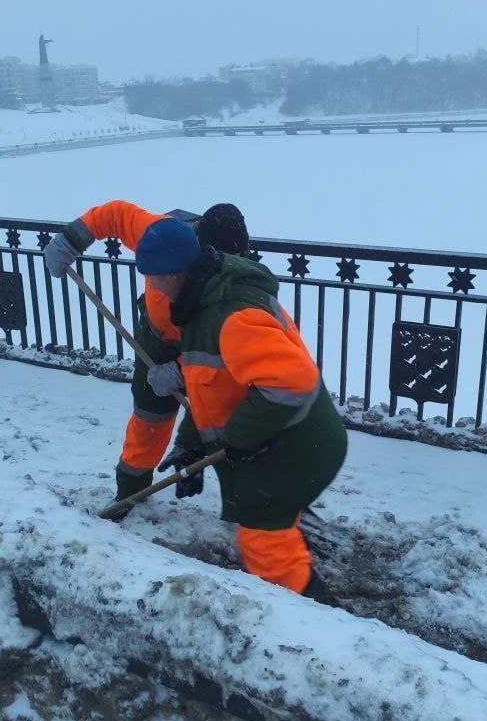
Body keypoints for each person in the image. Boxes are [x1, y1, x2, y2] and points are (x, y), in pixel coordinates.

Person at [139, 221, 346, 595]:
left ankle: (314, 631)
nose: (152, 288)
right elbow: (216, 385)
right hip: (286, 441)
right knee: (270, 526)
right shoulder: (202, 302)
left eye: (154, 280)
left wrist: (236, 439)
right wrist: (192, 443)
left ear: (175, 273)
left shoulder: (230, 316)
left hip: (294, 447)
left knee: (264, 541)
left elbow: (291, 381)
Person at [43, 201, 250, 514]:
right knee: (149, 415)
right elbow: (113, 214)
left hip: (211, 350)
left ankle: (250, 510)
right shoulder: (163, 236)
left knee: (224, 423)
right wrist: (70, 240)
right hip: (157, 338)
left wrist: (181, 371)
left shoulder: (241, 287)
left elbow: (235, 350)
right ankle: (131, 489)